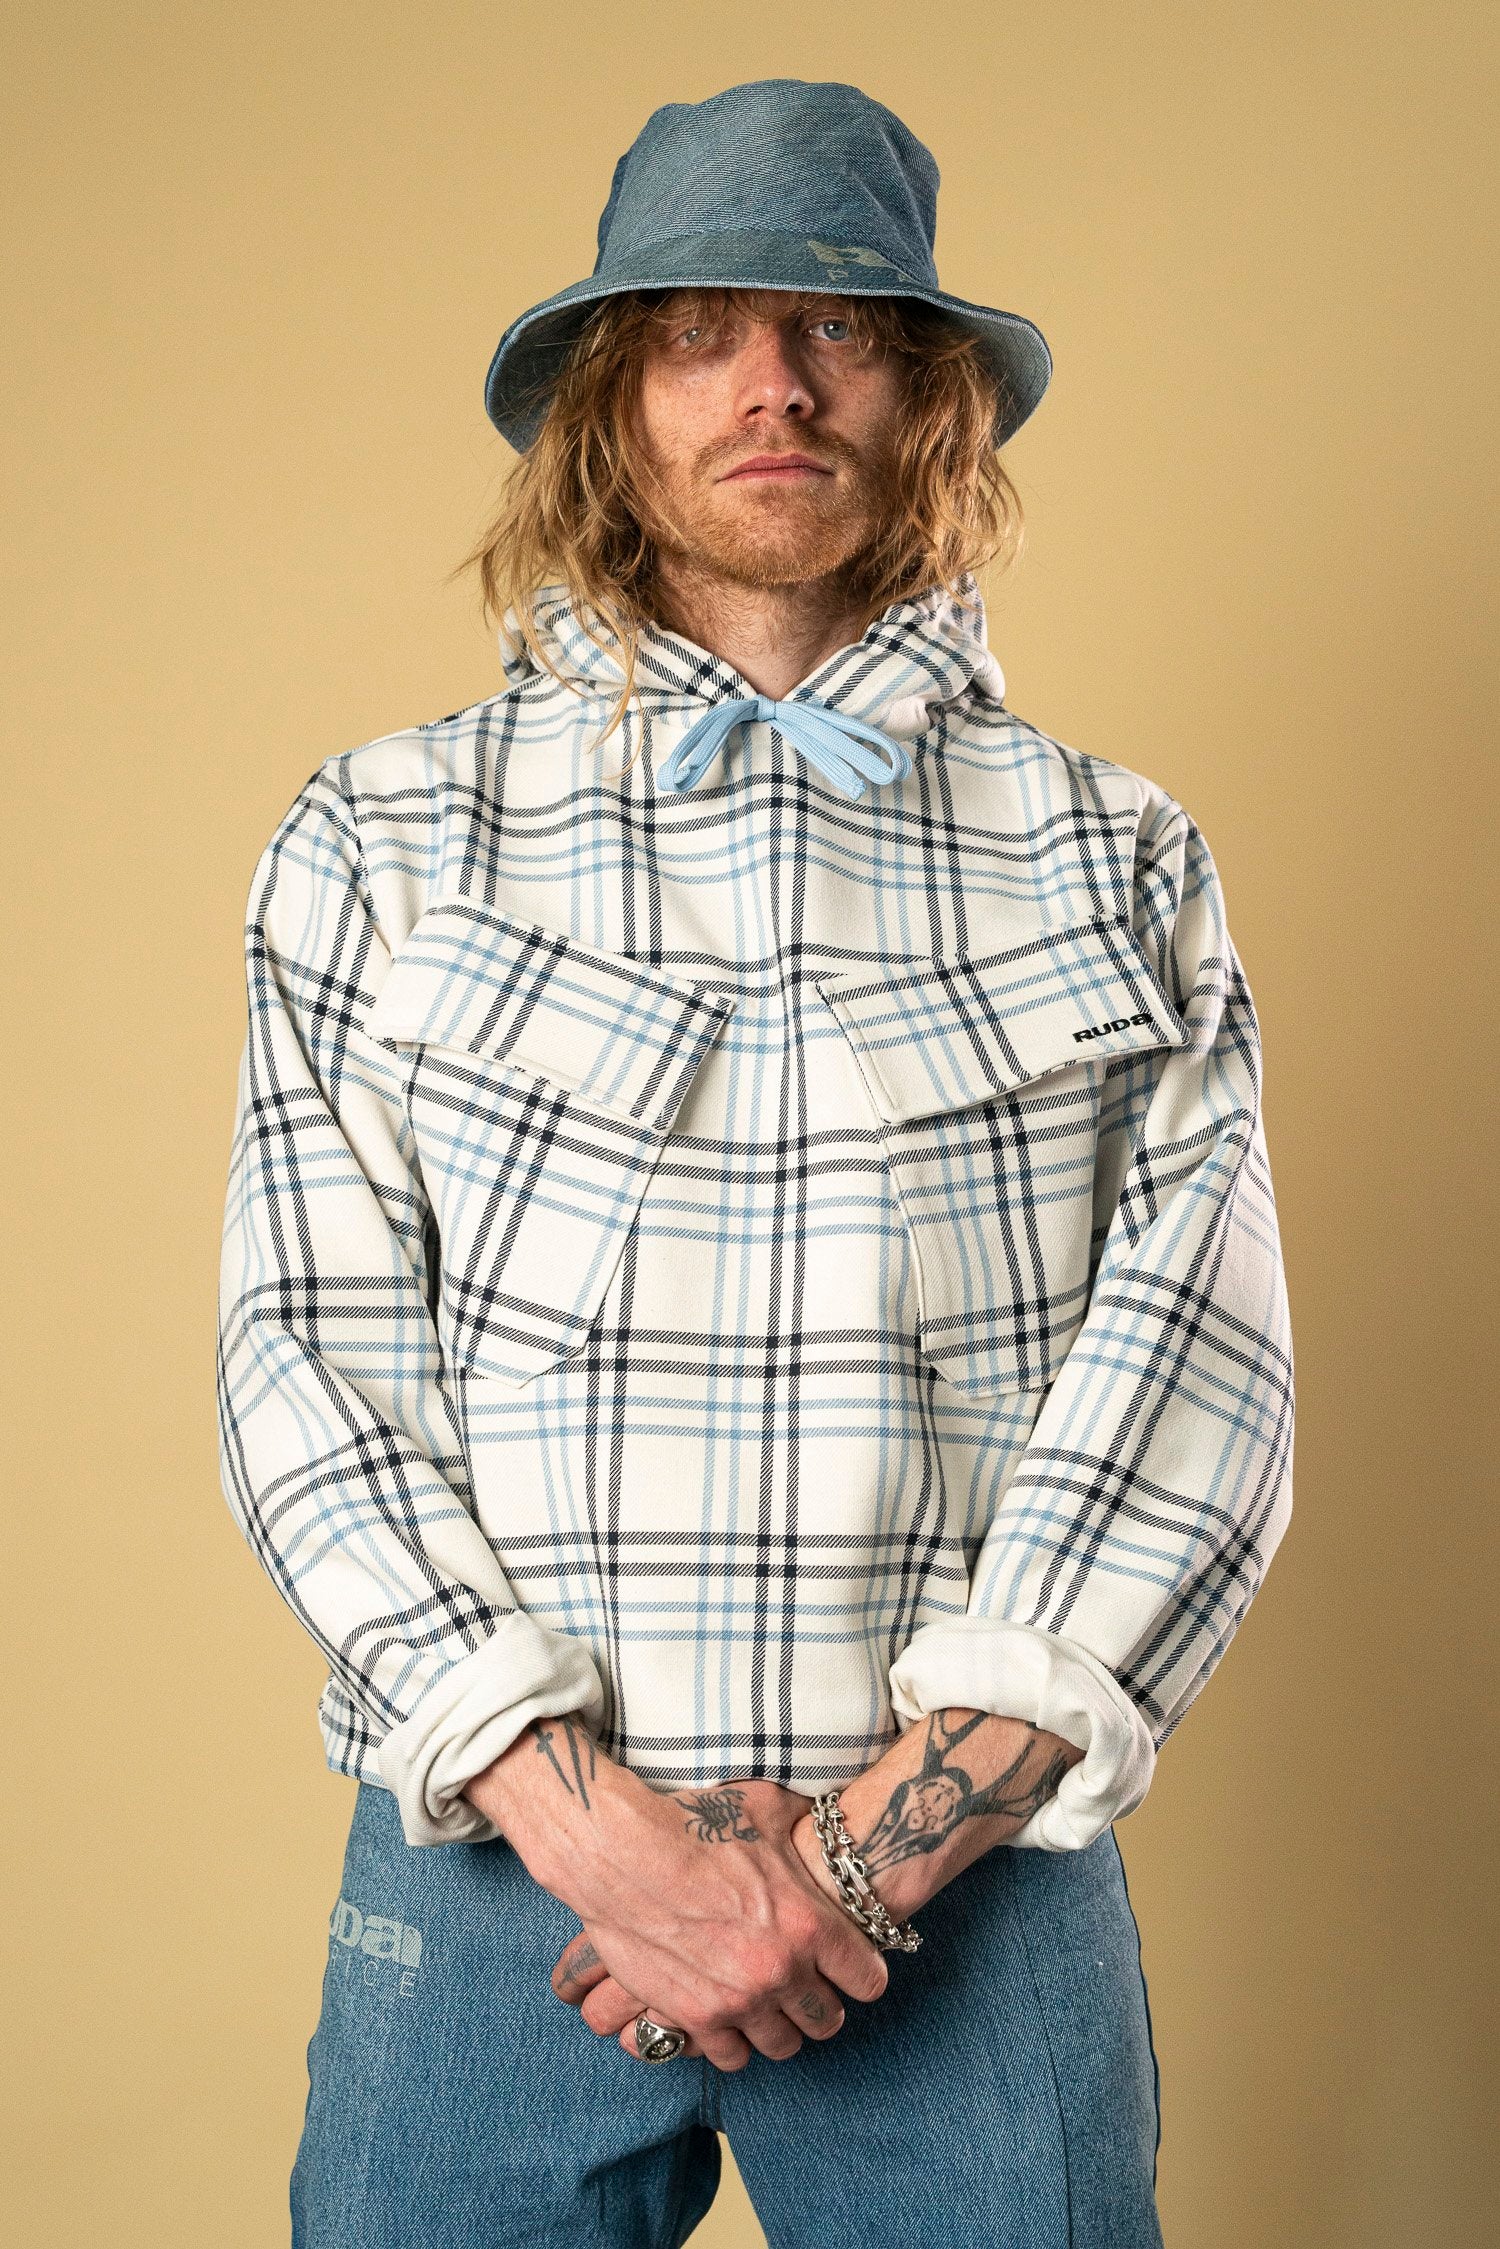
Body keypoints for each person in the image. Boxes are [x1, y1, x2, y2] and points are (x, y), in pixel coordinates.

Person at [216, 76, 1295, 2248]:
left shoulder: (1115, 855)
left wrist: (844, 1867)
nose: (775, 385)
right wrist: (624, 1851)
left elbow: (1202, 1390)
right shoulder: (386, 836)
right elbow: (308, 1373)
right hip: (503, 1881)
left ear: (938, 401)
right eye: (699, 329)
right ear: (612, 407)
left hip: (966, 1909)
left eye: (845, 328)